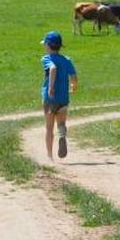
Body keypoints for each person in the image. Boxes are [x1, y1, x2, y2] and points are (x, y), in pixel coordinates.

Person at [40, 30, 77, 160]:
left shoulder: (46, 59)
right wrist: (73, 86)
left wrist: (50, 87)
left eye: (45, 44)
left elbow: (53, 68)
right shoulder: (67, 60)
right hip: (63, 98)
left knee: (49, 128)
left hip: (50, 99)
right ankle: (62, 135)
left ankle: (50, 157)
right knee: (61, 123)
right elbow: (73, 76)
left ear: (48, 45)